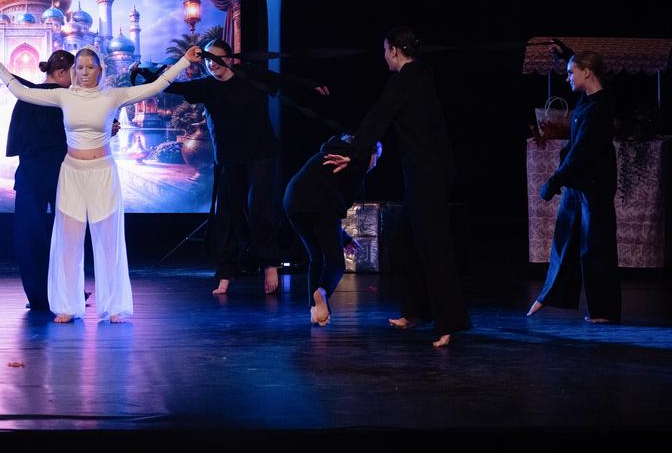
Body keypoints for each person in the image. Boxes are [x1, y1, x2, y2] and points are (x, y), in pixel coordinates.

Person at [0, 45, 202, 323]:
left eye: (90, 67)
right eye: (80, 67)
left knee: (108, 241)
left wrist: (185, 60)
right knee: (68, 243)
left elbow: (156, 86)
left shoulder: (113, 96)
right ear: (73, 71)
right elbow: (22, 92)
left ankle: (114, 306)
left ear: (100, 70)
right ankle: (67, 305)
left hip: (103, 173)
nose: (85, 72)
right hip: (72, 173)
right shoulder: (63, 96)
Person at [135, 39, 328, 295]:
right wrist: (144, 72)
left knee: (260, 209)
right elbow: (172, 86)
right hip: (228, 158)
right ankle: (226, 273)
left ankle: (270, 264)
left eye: (216, 58)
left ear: (228, 58)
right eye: (207, 60)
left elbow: (281, 80)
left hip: (261, 153)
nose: (211, 64)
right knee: (227, 215)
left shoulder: (249, 74)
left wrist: (310, 85)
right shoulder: (205, 86)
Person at [325, 27, 470, 347]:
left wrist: (352, 153)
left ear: (394, 51)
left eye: (385, 50)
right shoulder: (423, 75)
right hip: (425, 173)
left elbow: (377, 118)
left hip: (426, 175)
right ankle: (414, 311)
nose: (384, 56)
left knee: (434, 248)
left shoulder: (405, 79)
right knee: (403, 244)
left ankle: (449, 323)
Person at [528, 51, 620, 323]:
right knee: (564, 239)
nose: (567, 78)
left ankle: (603, 310)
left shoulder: (600, 108)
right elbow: (575, 147)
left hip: (594, 186)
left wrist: (554, 181)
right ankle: (547, 297)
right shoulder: (585, 101)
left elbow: (581, 152)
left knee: (595, 246)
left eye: (571, 73)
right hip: (577, 184)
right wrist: (563, 55)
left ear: (587, 72)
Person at [284, 134, 381, 326]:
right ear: (368, 153)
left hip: (292, 202)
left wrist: (344, 237)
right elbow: (336, 204)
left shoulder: (327, 152)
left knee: (316, 257)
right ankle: (322, 291)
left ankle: (315, 310)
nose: (375, 164)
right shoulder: (354, 163)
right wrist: (340, 237)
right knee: (335, 262)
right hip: (320, 204)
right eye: (376, 157)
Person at [6, 50, 74, 312]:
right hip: (62, 175)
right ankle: (66, 293)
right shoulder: (68, 99)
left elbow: (16, 140)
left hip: (30, 175)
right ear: (61, 73)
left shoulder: (28, 97)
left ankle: (38, 296)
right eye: (74, 72)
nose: (76, 79)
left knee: (29, 236)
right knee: (67, 236)